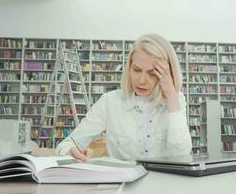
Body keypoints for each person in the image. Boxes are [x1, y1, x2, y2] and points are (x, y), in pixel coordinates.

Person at [56, 34, 192, 162]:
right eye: (137, 70)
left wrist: (171, 97)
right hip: (123, 185)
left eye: (152, 73)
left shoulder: (176, 100)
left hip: (165, 184)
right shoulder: (109, 101)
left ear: (167, 74)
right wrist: (70, 151)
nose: (142, 80)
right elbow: (66, 145)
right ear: (129, 68)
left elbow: (182, 155)